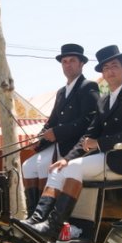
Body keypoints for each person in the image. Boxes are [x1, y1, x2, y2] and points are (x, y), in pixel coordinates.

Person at [18, 45, 122, 241]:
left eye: (114, 66)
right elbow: (89, 134)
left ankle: (53, 226)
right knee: (59, 168)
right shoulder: (104, 101)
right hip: (102, 156)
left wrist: (99, 143)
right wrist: (67, 159)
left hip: (121, 159)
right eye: (105, 68)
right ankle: (38, 219)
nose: (110, 71)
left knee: (72, 169)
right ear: (102, 73)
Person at [21, 43, 100, 216]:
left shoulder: (88, 87)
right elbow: (51, 121)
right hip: (56, 143)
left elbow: (89, 119)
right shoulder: (61, 92)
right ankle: (32, 213)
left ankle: (45, 215)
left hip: (74, 145)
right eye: (64, 61)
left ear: (81, 64)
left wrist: (58, 132)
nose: (68, 65)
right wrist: (38, 139)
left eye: (72, 61)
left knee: (44, 165)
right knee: (27, 166)